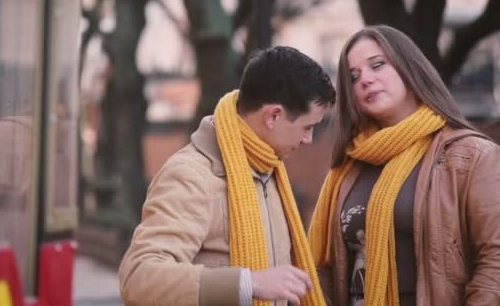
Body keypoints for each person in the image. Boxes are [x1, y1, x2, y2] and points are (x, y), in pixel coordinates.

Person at [118, 46, 336, 306]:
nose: (308, 139)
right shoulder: (191, 176)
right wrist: (249, 283)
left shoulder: (269, 171)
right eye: (307, 127)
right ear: (273, 115)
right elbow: (139, 278)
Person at [308, 25, 500, 306]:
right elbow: (322, 265)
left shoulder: (471, 155)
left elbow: (495, 258)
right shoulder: (348, 166)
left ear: (409, 68)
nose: (365, 80)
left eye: (377, 65)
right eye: (353, 76)